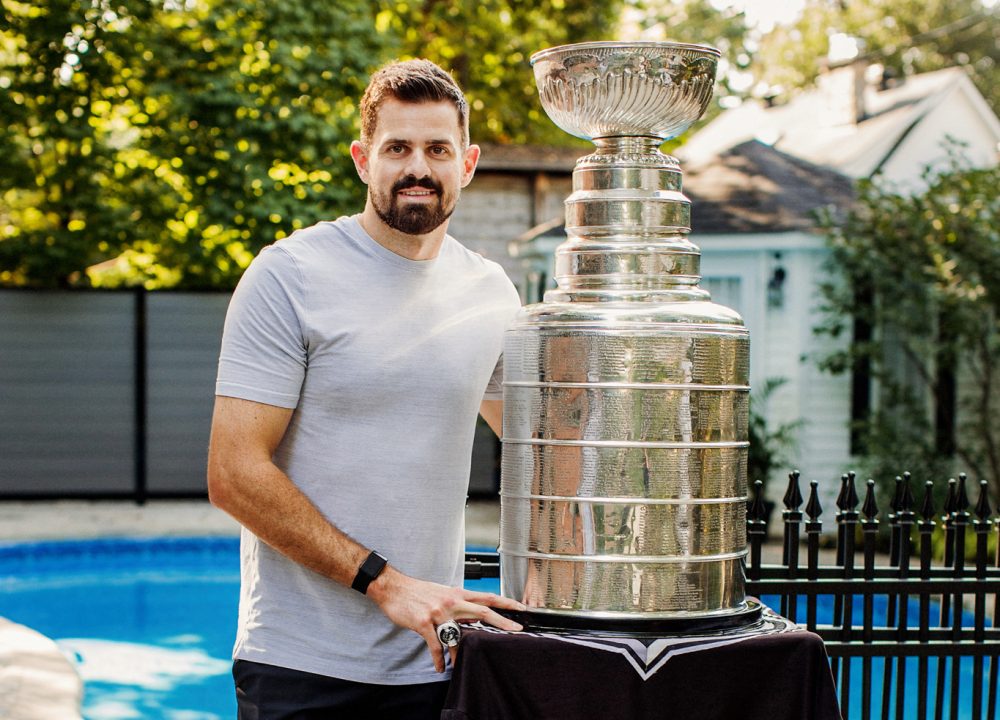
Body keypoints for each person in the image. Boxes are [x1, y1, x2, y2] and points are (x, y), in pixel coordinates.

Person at [207, 58, 525, 719]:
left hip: (435, 662)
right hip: (300, 665)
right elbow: (233, 473)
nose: (419, 167)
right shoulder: (289, 276)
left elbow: (540, 446)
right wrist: (386, 585)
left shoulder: (491, 292)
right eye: (397, 148)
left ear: (466, 164)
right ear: (362, 160)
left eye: (437, 149)